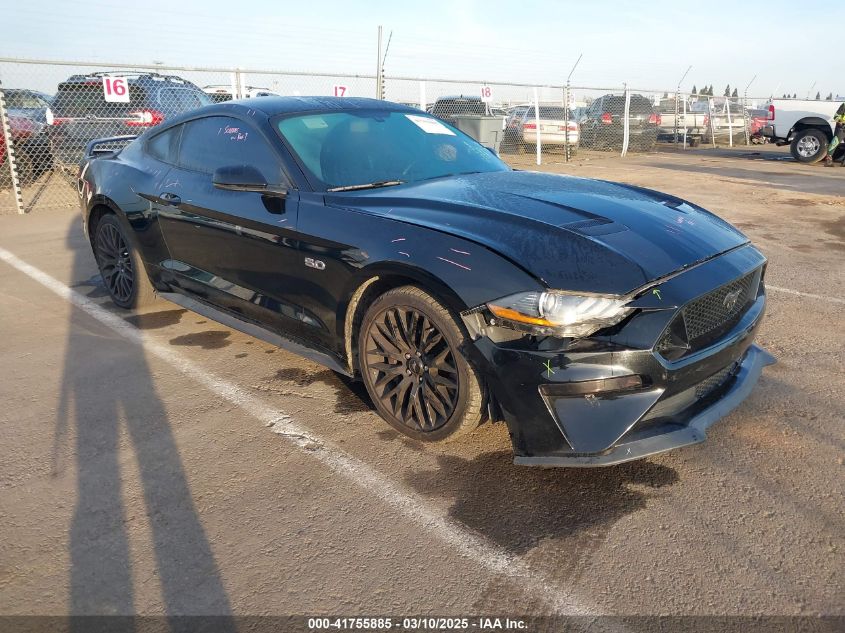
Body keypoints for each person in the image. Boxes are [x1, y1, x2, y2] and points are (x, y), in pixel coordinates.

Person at [823, 102, 845, 166]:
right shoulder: (844, 105)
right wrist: (840, 122)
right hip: (841, 127)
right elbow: (836, 116)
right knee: (835, 142)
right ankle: (828, 160)